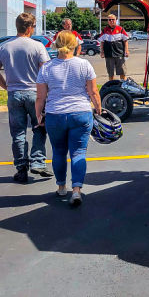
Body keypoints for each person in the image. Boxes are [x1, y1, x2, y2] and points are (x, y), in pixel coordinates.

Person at [36, 31, 101, 206]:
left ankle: (61, 187)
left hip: (55, 114)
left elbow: (40, 97)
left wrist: (38, 115)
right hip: (80, 112)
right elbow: (93, 92)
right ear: (76, 45)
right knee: (78, 152)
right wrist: (98, 108)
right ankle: (77, 190)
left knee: (58, 152)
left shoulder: (46, 68)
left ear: (56, 45)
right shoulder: (84, 64)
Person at [0, 13, 52, 183]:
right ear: (30, 27)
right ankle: (38, 161)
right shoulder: (37, 46)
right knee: (39, 127)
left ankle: (21, 167)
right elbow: (45, 71)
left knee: (18, 133)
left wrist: (6, 86)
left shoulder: (3, 46)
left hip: (14, 94)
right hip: (35, 93)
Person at [98, 14, 130, 81]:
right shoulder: (104, 30)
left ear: (116, 20)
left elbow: (125, 40)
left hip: (119, 53)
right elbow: (102, 42)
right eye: (109, 19)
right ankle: (112, 86)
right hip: (109, 54)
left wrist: (126, 50)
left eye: (113, 19)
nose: (111, 21)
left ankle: (123, 85)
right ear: (108, 21)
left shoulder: (120, 29)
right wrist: (101, 52)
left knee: (122, 72)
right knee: (110, 73)